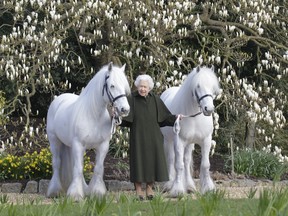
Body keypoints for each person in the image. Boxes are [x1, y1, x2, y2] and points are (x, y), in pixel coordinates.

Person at [120, 74, 182, 201]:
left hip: (154, 137)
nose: (143, 89)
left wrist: (176, 117)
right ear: (137, 86)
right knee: (138, 162)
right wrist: (115, 117)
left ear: (150, 88)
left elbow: (165, 118)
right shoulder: (131, 98)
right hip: (138, 136)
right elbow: (124, 119)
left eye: (145, 87)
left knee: (153, 162)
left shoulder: (156, 99)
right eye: (141, 86)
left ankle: (149, 188)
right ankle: (138, 190)